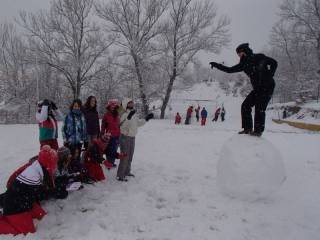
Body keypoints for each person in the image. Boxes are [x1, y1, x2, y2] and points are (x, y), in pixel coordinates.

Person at [210, 43, 277, 136]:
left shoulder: (259, 57)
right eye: (238, 54)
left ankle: (258, 131)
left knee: (259, 107)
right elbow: (229, 70)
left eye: (239, 53)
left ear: (244, 51)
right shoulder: (243, 64)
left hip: (267, 86)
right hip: (258, 89)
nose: (239, 56)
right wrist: (217, 65)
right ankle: (247, 129)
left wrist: (270, 74)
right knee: (245, 105)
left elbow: (274, 62)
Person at [0, 146, 57, 235]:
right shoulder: (34, 175)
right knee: (27, 232)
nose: (55, 165)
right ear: (48, 163)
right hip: (15, 208)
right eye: (54, 162)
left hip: (25, 203)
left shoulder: (38, 168)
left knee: (42, 216)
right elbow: (41, 193)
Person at [117, 98, 154, 181]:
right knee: (125, 156)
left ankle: (127, 171)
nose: (132, 104)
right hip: (125, 137)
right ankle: (120, 175)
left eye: (132, 103)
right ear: (126, 104)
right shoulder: (124, 114)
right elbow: (122, 127)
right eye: (130, 103)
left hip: (132, 137)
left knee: (130, 156)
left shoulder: (133, 114)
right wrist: (128, 118)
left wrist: (146, 119)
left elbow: (138, 123)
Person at [101, 99, 121, 168]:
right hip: (109, 135)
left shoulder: (118, 114)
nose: (113, 107)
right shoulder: (106, 115)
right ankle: (109, 163)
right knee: (109, 149)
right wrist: (102, 133)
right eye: (111, 106)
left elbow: (120, 124)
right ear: (109, 106)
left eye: (114, 106)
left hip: (117, 135)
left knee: (114, 149)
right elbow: (103, 125)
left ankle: (111, 162)